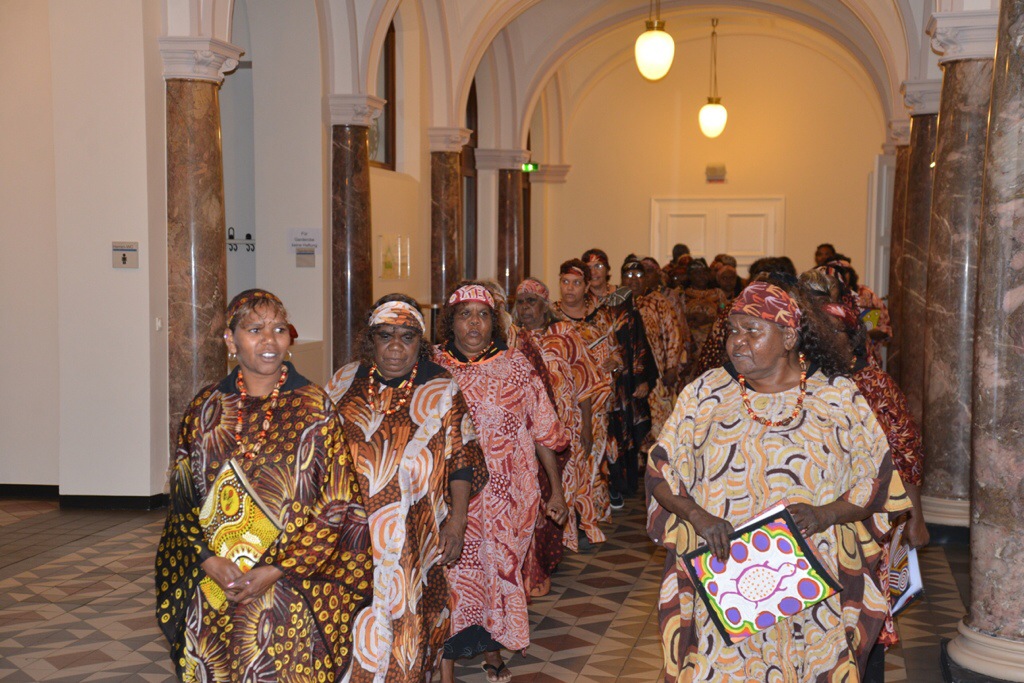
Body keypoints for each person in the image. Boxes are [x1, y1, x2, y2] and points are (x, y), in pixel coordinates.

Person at [646, 280, 910, 681]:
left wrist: (825, 514)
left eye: (752, 331)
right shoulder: (705, 394)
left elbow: (877, 477)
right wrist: (698, 517)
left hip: (812, 582)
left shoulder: (837, 397)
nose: (737, 342)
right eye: (733, 330)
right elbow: (660, 469)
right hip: (727, 579)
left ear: (789, 337)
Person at [156, 289, 373, 682]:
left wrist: (277, 568)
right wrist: (208, 560)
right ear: (230, 340)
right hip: (216, 583)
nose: (269, 340)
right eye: (255, 330)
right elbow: (184, 499)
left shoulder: (315, 408)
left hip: (292, 584)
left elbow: (338, 503)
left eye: (278, 329)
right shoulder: (204, 410)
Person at [324, 294, 489, 683]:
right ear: (371, 340)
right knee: (353, 629)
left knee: (408, 631)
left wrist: (457, 522)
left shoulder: (441, 387)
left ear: (420, 342)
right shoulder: (344, 382)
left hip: (414, 538)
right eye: (385, 336)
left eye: (407, 336)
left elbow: (462, 459)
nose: (396, 346)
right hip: (349, 537)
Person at [433, 282, 569, 683]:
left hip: (509, 496)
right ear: (450, 322)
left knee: (497, 574)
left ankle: (492, 652)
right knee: (452, 574)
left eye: (483, 315)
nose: (474, 323)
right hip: (449, 495)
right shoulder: (434, 368)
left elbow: (542, 429)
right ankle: (446, 664)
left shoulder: (516, 365)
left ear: (494, 322)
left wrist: (556, 491)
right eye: (465, 315)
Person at [512, 277, 611, 593]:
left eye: (531, 302)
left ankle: (553, 550)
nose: (525, 308)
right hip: (526, 429)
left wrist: (586, 425)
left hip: (564, 427)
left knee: (560, 488)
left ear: (544, 306)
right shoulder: (512, 338)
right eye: (521, 302)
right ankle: (535, 554)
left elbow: (585, 381)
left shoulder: (564, 333)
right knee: (532, 489)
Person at [554, 259, 618, 523]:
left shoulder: (601, 317)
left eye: (577, 283)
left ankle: (589, 516)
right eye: (565, 282)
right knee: (564, 458)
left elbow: (615, 352)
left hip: (597, 403)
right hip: (562, 402)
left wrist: (612, 363)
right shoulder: (551, 316)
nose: (570, 288)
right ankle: (565, 515)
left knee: (591, 454)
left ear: (587, 286)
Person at [622, 257, 684, 440]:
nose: (634, 280)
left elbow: (673, 334)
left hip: (656, 373)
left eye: (639, 275)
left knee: (659, 426)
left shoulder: (659, 301)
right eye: (629, 275)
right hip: (626, 376)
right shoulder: (617, 303)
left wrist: (671, 367)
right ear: (622, 279)